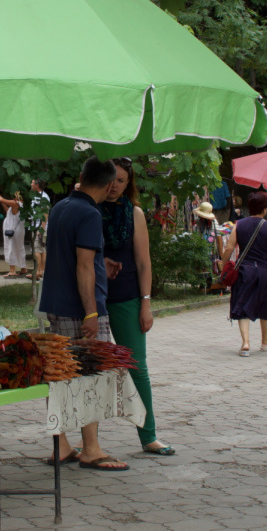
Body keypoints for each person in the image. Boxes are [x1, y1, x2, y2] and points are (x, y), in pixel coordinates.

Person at [37, 157, 129, 471]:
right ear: (109, 184)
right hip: (80, 310)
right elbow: (83, 266)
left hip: (56, 304)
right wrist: (91, 313)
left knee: (59, 375)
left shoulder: (60, 207)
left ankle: (61, 444)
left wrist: (103, 263)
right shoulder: (90, 213)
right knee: (92, 375)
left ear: (81, 176)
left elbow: (70, 256)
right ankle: (91, 449)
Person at [100, 160, 171, 455]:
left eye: (121, 180)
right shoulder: (89, 208)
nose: (114, 185)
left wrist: (146, 303)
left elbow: (143, 262)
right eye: (111, 179)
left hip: (127, 297)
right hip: (91, 298)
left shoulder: (135, 213)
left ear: (129, 184)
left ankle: (148, 435)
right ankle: (88, 441)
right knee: (90, 369)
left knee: (137, 367)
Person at [223, 191, 267, 355]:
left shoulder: (238, 225)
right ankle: (264, 342)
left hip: (244, 271)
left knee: (242, 305)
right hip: (266, 271)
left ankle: (245, 343)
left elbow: (229, 248)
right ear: (265, 209)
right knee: (266, 305)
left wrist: (224, 266)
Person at [0, 190, 28, 278]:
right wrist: (3, 204)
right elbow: (9, 212)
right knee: (19, 248)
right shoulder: (20, 205)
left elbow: (1, 199)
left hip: (13, 231)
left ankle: (12, 270)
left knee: (11, 248)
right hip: (17, 230)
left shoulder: (16, 203)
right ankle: (23, 268)